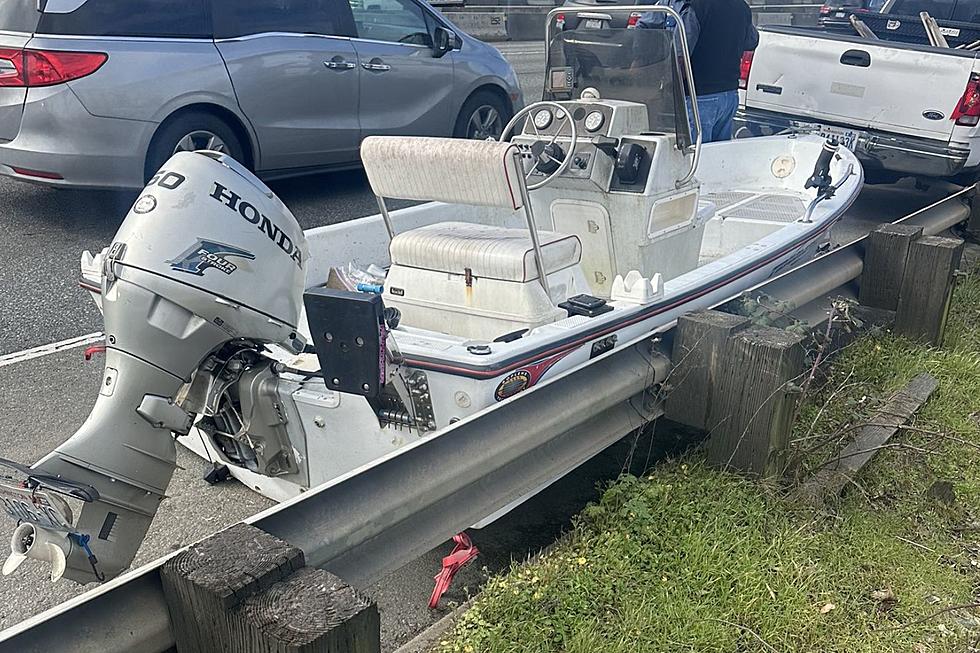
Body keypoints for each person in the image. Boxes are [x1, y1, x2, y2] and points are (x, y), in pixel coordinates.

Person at [638, 0, 759, 142]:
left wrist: (665, 89)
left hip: (700, 96)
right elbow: (752, 41)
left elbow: (680, 55)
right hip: (729, 94)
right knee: (719, 156)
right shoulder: (741, 6)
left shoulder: (695, 7)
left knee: (694, 156)